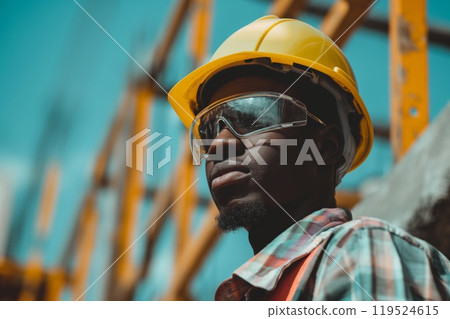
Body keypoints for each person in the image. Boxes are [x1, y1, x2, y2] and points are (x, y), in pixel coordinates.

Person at [167, 16, 450, 300]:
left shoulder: (357, 252)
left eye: (250, 115)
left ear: (326, 147)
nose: (218, 144)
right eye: (208, 128)